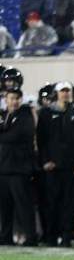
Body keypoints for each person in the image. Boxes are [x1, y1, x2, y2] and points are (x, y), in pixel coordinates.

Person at [36, 82, 74, 247]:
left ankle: (66, 237)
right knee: (51, 203)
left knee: (69, 204)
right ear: (57, 93)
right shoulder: (46, 113)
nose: (66, 94)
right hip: (52, 167)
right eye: (62, 91)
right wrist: (45, 160)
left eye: (68, 91)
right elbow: (41, 140)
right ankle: (51, 236)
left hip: (70, 167)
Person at [0, 87, 37, 246]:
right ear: (6, 100)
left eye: (17, 98)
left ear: (20, 100)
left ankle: (31, 237)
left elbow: (16, 135)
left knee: (23, 205)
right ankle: (6, 236)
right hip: (3, 168)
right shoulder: (4, 115)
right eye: (11, 98)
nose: (14, 102)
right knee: (5, 206)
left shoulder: (26, 115)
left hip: (19, 168)